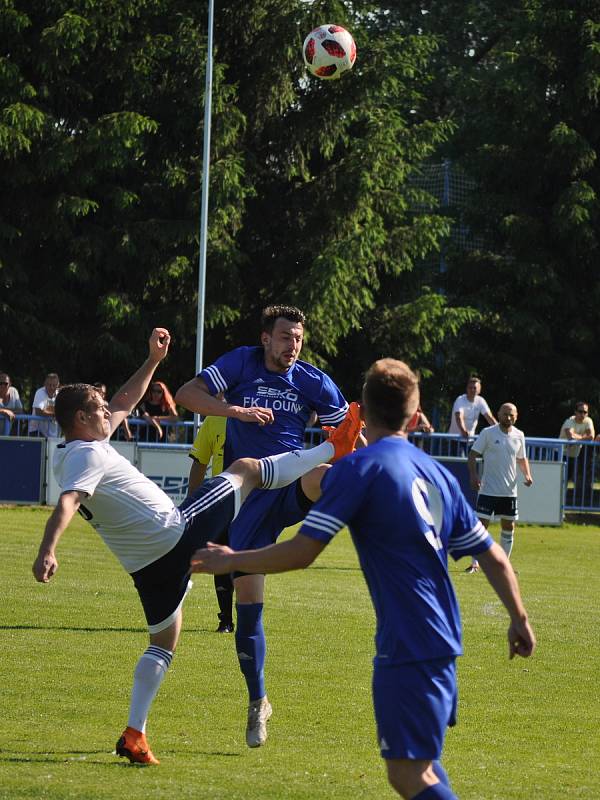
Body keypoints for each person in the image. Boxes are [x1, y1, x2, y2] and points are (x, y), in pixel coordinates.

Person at [190, 358, 536, 800]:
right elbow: (494, 557)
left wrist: (232, 559)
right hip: (446, 639)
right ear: (416, 414)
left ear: (363, 413)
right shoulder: (436, 474)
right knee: (423, 767)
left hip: (406, 644)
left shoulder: (361, 470)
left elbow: (301, 552)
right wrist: (519, 618)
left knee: (406, 775)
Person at [31, 327, 363, 766]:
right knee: (245, 468)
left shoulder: (80, 445)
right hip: (176, 532)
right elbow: (69, 501)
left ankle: (136, 733)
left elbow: (128, 400)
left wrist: (152, 360)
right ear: (80, 419)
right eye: (98, 407)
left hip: (148, 570)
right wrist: (47, 548)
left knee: (164, 642)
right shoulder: (84, 457)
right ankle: (329, 448)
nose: (107, 409)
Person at [175, 304, 350, 748]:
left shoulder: (312, 380)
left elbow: (348, 434)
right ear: (266, 338)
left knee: (329, 477)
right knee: (249, 611)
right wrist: (237, 412)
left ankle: (382, 530)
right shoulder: (241, 362)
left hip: (288, 486)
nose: (293, 345)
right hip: (247, 506)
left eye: (298, 338)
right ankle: (259, 701)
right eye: (285, 337)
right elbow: (186, 395)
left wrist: (371, 457)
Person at [465, 403, 533, 574]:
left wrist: (527, 475)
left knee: (509, 526)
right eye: (505, 414)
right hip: (488, 489)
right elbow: (473, 454)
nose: (508, 417)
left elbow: (521, 458)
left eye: (511, 415)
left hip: (509, 491)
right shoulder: (488, 433)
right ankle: (475, 563)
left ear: (516, 416)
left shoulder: (519, 435)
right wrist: (473, 476)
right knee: (481, 526)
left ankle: (504, 564)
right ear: (499, 414)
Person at [187, 404, 234, 633]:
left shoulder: (260, 414)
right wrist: (191, 504)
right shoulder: (213, 419)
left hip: (254, 502)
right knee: (221, 559)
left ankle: (247, 618)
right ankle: (225, 619)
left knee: (249, 563)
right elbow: (200, 461)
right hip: (223, 500)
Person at [559, 402, 595, 506]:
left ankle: (561, 509)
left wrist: (577, 437)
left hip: (574, 456)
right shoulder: (569, 421)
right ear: (575, 412)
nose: (582, 414)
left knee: (566, 482)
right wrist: (583, 437)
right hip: (561, 454)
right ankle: (555, 509)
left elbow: (591, 437)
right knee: (560, 482)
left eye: (585, 412)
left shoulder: (588, 421)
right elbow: (570, 436)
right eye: (580, 411)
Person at [29, 373, 60, 437]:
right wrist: (56, 413)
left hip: (53, 434)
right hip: (37, 432)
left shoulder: (59, 394)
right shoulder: (40, 392)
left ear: (58, 385)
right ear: (45, 384)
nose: (51, 387)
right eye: (49, 385)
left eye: (54, 385)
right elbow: (39, 411)